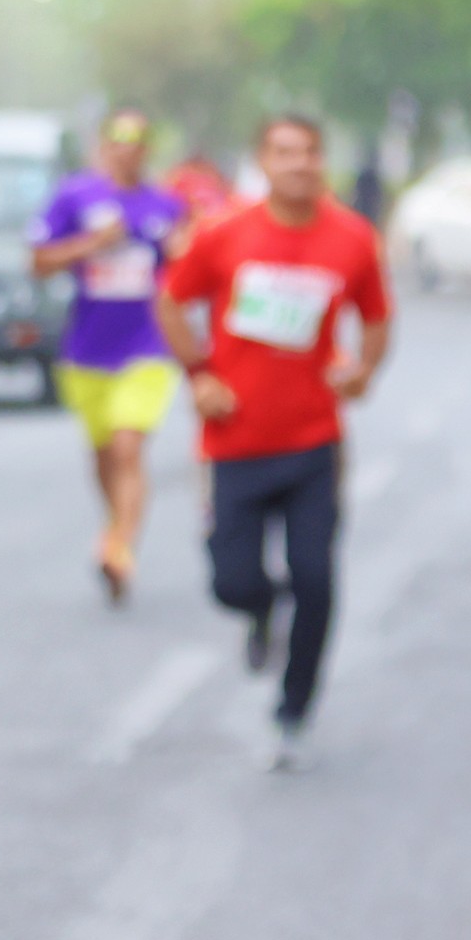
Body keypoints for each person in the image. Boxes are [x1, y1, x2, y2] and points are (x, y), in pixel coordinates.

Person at [155, 115, 392, 770]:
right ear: (263, 162)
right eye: (284, 153)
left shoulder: (351, 237)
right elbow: (171, 302)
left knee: (316, 578)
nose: (299, 164)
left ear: (322, 160)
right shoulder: (224, 233)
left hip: (314, 443)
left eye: (310, 152)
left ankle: (293, 707)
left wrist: (364, 371)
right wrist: (199, 375)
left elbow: (377, 317)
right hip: (235, 441)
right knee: (233, 583)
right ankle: (260, 610)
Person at [30, 108, 188, 601]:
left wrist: (183, 251)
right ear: (102, 146)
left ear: (147, 150)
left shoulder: (165, 206)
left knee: (128, 448)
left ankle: (119, 547)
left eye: (136, 141)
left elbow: (187, 272)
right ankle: (115, 524)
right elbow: (39, 261)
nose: (127, 150)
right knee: (103, 455)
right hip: (88, 349)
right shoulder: (75, 197)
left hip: (147, 346)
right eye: (117, 140)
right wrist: (92, 244)